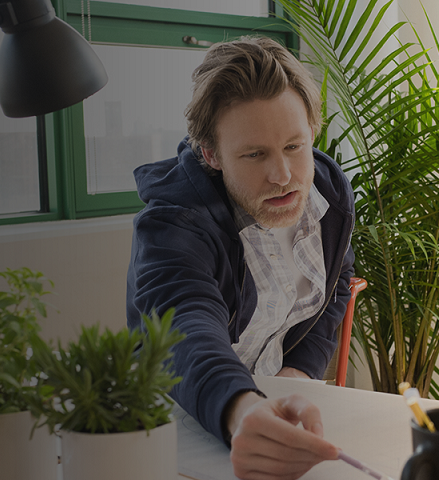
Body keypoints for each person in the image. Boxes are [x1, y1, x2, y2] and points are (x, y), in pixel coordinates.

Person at [125, 36, 355, 479]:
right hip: (178, 428)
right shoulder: (174, 222)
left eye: (294, 146)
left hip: (268, 411)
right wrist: (242, 408)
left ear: (312, 131)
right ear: (210, 154)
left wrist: (297, 373)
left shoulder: (329, 195)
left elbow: (338, 281)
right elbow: (183, 328)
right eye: (254, 154)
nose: (283, 175)